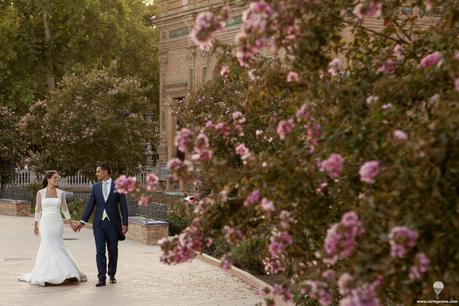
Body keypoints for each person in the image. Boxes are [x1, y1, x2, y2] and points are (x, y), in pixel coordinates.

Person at [18, 170, 87, 286]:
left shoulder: (60, 193)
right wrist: (35, 224)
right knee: (47, 245)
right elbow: (38, 209)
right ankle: (46, 274)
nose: (57, 180)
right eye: (55, 178)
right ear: (48, 179)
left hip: (57, 223)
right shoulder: (40, 193)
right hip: (45, 223)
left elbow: (65, 209)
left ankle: (66, 272)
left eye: (57, 178)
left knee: (58, 245)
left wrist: (70, 223)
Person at [74, 163, 128, 287]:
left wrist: (125, 223)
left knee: (113, 250)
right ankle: (101, 278)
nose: (96, 173)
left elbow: (123, 206)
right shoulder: (96, 187)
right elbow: (90, 205)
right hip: (98, 224)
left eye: (98, 171)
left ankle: (112, 274)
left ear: (105, 171)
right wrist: (82, 222)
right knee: (100, 251)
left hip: (113, 224)